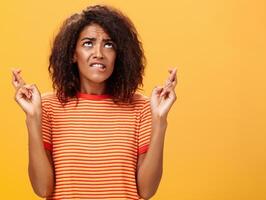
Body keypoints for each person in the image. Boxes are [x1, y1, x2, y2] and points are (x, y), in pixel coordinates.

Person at [11, 5, 177, 200]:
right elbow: (43, 189)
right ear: (73, 53)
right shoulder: (47, 107)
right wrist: (32, 118)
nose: (99, 53)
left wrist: (160, 121)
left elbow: (147, 191)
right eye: (88, 43)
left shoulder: (140, 107)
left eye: (109, 45)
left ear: (119, 55)